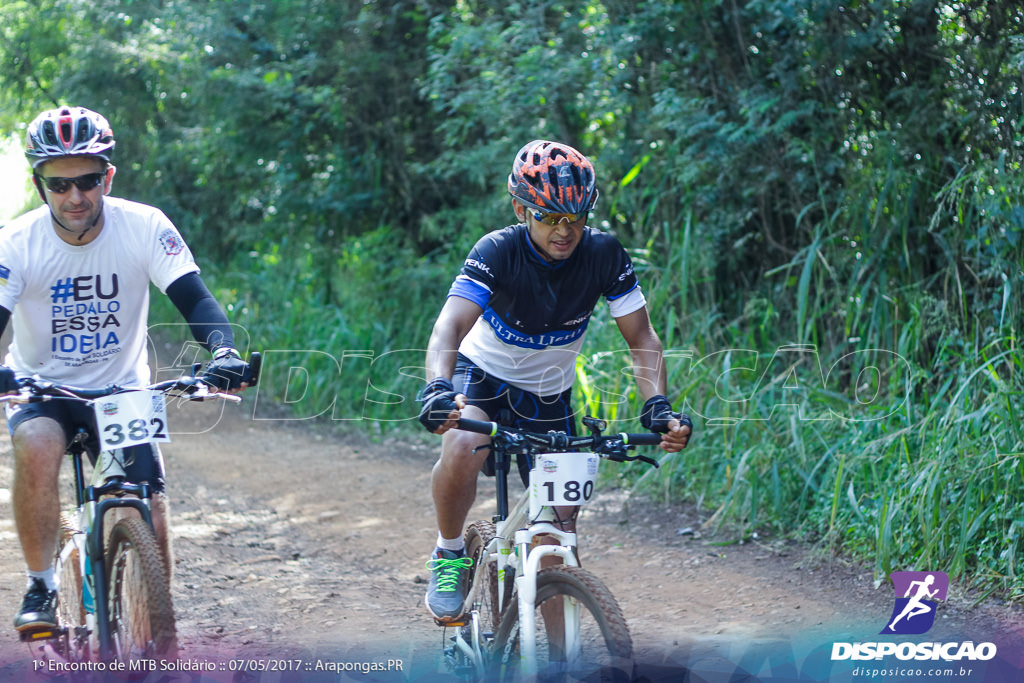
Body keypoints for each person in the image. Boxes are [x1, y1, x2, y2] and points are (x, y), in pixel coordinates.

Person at [0, 106, 254, 632]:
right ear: (39, 183)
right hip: (42, 389)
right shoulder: (15, 242)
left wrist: (223, 354)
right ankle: (41, 585)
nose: (75, 197)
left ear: (108, 177)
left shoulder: (144, 226)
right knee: (38, 445)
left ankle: (153, 630)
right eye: (60, 184)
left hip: (122, 391)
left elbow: (196, 301)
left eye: (89, 181)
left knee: (151, 512)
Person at [417, 139, 692, 622]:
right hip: (480, 377)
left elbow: (643, 337)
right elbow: (449, 327)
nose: (565, 231)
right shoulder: (497, 251)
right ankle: (450, 551)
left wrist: (658, 407)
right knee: (460, 444)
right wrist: (438, 388)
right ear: (522, 209)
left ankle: (564, 664)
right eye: (550, 218)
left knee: (554, 540)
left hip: (547, 396)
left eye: (576, 218)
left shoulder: (604, 253)